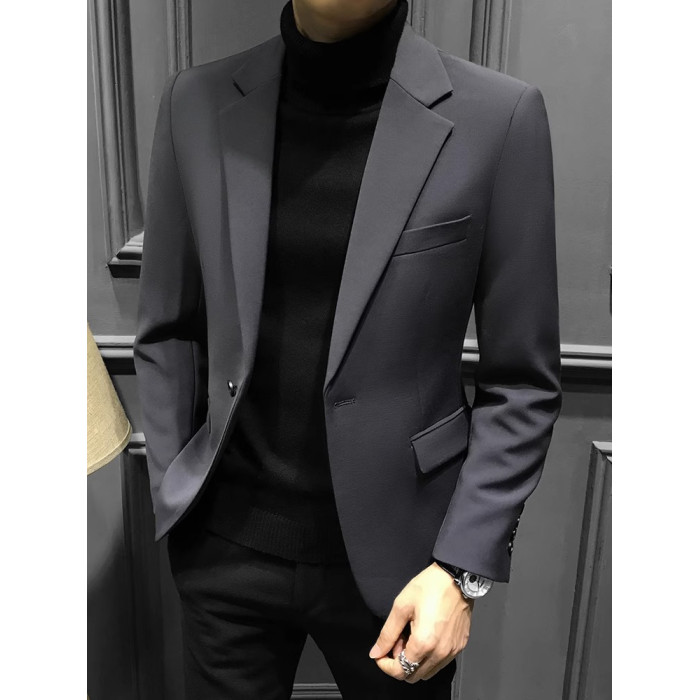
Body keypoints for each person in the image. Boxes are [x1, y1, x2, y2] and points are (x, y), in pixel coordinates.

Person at [133, 0, 563, 697]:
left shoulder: (499, 118)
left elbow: (523, 382)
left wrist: (460, 571)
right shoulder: (195, 102)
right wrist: (175, 494)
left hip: (408, 570)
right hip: (224, 555)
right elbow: (168, 327)